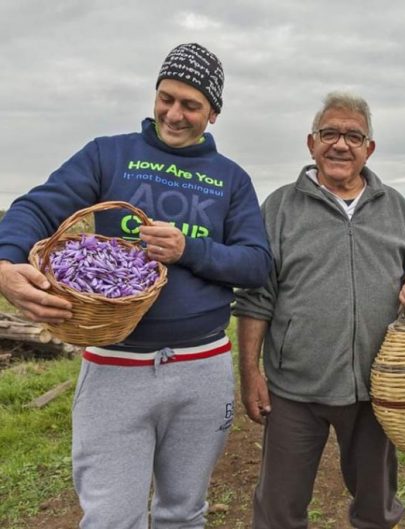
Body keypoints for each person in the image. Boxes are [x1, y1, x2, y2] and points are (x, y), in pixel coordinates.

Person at [0, 43, 271, 529]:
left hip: (202, 369)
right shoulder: (108, 155)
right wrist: (6, 261)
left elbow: (256, 265)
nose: (174, 113)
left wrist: (189, 249)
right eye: (166, 97)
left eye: (191, 105)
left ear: (213, 112)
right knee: (110, 518)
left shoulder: (231, 179)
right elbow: (36, 208)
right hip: (114, 365)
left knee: (183, 512)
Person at [232, 91, 405, 529]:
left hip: (376, 387)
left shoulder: (394, 207)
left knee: (375, 508)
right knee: (278, 511)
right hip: (294, 390)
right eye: (330, 134)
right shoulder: (280, 208)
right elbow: (256, 295)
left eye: (353, 136)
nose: (340, 145)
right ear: (311, 143)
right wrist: (250, 373)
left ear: (369, 148)